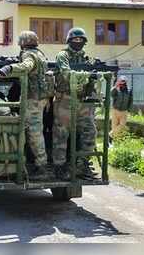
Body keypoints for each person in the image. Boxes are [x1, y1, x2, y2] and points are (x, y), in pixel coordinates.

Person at [0, 31, 49, 179]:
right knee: (32, 131)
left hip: (32, 99)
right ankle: (32, 165)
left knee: (33, 133)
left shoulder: (29, 55)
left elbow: (27, 66)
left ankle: (41, 168)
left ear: (23, 43)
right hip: (40, 98)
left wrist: (10, 68)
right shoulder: (40, 54)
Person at [52, 27, 97, 180]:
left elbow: (92, 79)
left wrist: (93, 76)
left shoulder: (86, 59)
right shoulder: (63, 55)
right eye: (75, 40)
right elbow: (65, 73)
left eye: (80, 40)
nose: (77, 42)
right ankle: (59, 167)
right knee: (61, 134)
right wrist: (84, 75)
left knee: (90, 132)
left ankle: (82, 164)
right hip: (64, 100)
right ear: (69, 41)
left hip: (82, 101)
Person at [110, 75, 133, 140]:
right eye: (121, 81)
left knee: (122, 126)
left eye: (123, 81)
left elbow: (131, 101)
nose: (122, 83)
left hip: (124, 111)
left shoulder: (129, 91)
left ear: (126, 82)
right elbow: (111, 94)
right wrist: (115, 86)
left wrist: (129, 110)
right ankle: (116, 141)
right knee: (114, 126)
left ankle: (110, 134)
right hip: (115, 110)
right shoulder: (116, 90)